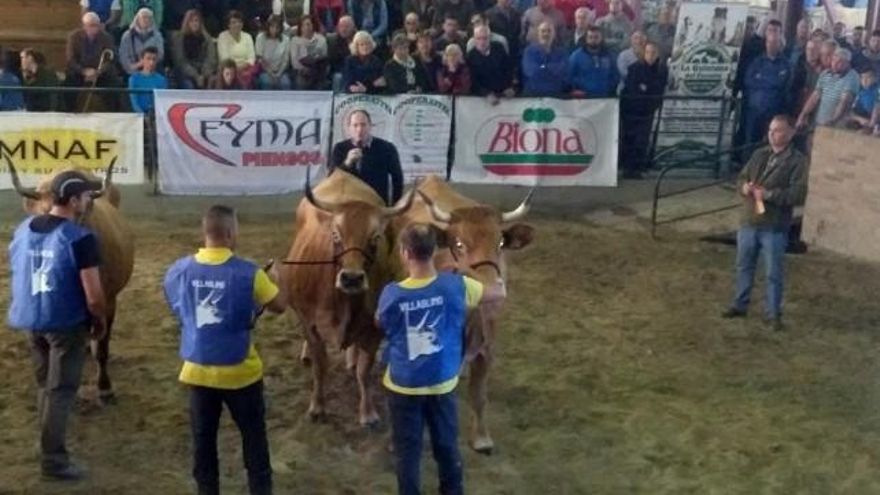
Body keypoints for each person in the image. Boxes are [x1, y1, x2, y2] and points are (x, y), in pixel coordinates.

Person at [163, 205, 287, 495]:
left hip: (197, 370)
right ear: (230, 234)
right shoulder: (251, 273)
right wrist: (279, 280)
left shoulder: (178, 270)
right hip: (241, 372)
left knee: (203, 442)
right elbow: (280, 307)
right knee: (254, 440)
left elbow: (177, 304)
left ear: (206, 232)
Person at [376, 223, 506, 495]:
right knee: (447, 448)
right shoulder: (457, 286)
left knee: (407, 455)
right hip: (442, 384)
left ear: (404, 253)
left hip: (403, 385)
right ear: (435, 251)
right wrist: (466, 267)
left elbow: (381, 322)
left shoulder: (391, 294)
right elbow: (498, 292)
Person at [7, 170, 108, 481]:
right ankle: (53, 461)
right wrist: (100, 319)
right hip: (64, 322)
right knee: (62, 390)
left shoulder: (23, 229)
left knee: (44, 387)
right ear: (74, 200)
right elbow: (93, 296)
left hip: (31, 318)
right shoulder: (81, 239)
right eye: (86, 196)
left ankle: (47, 448)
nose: (89, 201)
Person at [721, 115, 807, 332]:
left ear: (789, 133)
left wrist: (768, 194)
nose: (772, 134)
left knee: (773, 272)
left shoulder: (797, 162)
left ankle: (773, 313)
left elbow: (797, 194)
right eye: (771, 130)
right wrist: (744, 188)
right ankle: (740, 304)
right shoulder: (759, 154)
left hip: (774, 225)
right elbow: (742, 177)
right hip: (749, 220)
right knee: (744, 266)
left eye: (777, 130)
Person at [329, 109, 404, 205]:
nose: (359, 129)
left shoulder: (387, 148)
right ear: (349, 128)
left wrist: (395, 206)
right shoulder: (340, 148)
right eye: (355, 125)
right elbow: (331, 178)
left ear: (370, 126)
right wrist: (347, 163)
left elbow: (397, 179)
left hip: (376, 206)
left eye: (363, 125)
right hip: (348, 206)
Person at [620, 41, 667, 178]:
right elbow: (633, 90)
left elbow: (657, 90)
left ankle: (638, 169)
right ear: (643, 53)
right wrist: (645, 90)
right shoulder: (635, 68)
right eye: (648, 52)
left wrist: (646, 89)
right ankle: (628, 169)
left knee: (642, 141)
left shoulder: (661, 70)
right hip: (632, 110)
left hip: (648, 111)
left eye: (653, 53)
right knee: (630, 140)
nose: (650, 56)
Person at [64, 12, 124, 111]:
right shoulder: (74, 37)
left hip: (100, 73)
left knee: (114, 84)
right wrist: (84, 71)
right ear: (84, 26)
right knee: (68, 85)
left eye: (97, 25)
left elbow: (111, 59)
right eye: (91, 25)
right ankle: (70, 113)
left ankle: (111, 114)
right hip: (80, 72)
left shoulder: (106, 37)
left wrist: (98, 72)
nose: (95, 28)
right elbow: (71, 59)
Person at [742, 30, 792, 147]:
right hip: (755, 111)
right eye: (769, 42)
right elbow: (749, 81)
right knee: (750, 143)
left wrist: (762, 79)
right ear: (765, 43)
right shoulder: (756, 62)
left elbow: (785, 84)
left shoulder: (786, 64)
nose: (772, 45)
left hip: (775, 111)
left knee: (771, 144)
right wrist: (773, 83)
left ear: (780, 45)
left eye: (775, 42)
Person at [797, 47, 860, 129]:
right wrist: (803, 114)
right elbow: (814, 97)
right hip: (820, 121)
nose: (835, 64)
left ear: (847, 63)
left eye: (840, 62)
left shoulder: (852, 76)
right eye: (834, 60)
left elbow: (844, 101)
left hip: (839, 124)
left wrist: (833, 121)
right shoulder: (825, 74)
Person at [171, 9, 218, 90]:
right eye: (191, 21)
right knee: (189, 85)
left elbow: (211, 59)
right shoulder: (179, 38)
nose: (195, 24)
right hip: (185, 72)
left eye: (197, 21)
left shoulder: (207, 38)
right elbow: (180, 61)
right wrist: (196, 76)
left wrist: (203, 74)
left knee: (212, 82)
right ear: (187, 23)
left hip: (203, 72)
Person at [467, 25, 515, 100]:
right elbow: (473, 81)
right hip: (482, 98)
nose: (482, 42)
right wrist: (486, 93)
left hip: (504, 93)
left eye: (485, 38)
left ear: (490, 38)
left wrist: (509, 86)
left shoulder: (499, 48)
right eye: (478, 38)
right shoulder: (471, 56)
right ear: (474, 39)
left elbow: (508, 69)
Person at [521, 21, 568, 96]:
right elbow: (531, 72)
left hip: (556, 95)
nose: (546, 34)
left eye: (549, 31)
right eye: (543, 31)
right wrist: (550, 67)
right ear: (538, 34)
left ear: (554, 34)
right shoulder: (529, 51)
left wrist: (542, 67)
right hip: (533, 94)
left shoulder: (561, 53)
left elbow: (561, 71)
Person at [569, 26, 618, 97]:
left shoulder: (609, 56)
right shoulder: (576, 56)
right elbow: (569, 75)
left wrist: (608, 88)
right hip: (583, 98)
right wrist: (574, 89)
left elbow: (615, 76)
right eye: (590, 37)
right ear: (586, 39)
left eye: (596, 37)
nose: (593, 40)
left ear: (601, 38)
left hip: (604, 98)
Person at [119, 8, 165, 76]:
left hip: (153, 68)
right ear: (138, 19)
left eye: (149, 18)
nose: (146, 20)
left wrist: (148, 63)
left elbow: (160, 54)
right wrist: (137, 65)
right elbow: (123, 56)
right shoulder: (127, 35)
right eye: (144, 17)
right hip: (132, 69)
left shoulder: (157, 35)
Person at [218, 10, 258, 88]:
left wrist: (243, 66)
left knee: (248, 78)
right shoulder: (222, 36)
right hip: (229, 70)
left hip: (246, 69)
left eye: (239, 22)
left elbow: (251, 58)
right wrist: (235, 69)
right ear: (228, 25)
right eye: (234, 22)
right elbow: (225, 59)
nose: (237, 24)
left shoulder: (247, 37)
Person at [290, 15, 329, 90]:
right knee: (301, 81)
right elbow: (294, 61)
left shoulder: (321, 39)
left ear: (313, 25)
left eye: (308, 24)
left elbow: (324, 56)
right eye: (303, 25)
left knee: (320, 80)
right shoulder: (295, 40)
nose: (306, 28)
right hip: (300, 71)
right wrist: (303, 69)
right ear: (300, 27)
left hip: (318, 71)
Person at [255, 14, 292, 90]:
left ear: (280, 28)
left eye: (277, 27)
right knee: (267, 82)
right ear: (268, 26)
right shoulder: (261, 38)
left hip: (281, 72)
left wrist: (279, 74)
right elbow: (260, 59)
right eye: (272, 27)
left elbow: (286, 60)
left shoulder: (286, 40)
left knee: (286, 83)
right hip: (265, 71)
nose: (274, 30)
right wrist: (270, 73)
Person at [128, 46, 166, 113]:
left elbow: (162, 102)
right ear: (142, 60)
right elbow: (134, 102)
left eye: (154, 59)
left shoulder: (162, 80)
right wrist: (143, 116)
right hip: (139, 117)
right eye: (148, 59)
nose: (151, 62)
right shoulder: (134, 79)